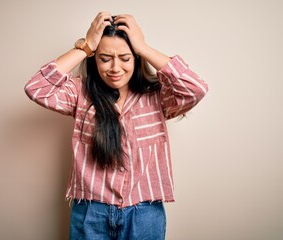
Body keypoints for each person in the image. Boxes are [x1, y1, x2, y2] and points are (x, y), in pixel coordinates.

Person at [25, 12, 208, 240]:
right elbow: (36, 87)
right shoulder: (79, 93)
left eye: (125, 57)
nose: (115, 67)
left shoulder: (157, 97)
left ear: (136, 58)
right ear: (94, 59)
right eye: (104, 58)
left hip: (145, 215)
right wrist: (86, 48)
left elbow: (195, 89)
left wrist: (143, 47)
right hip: (91, 212)